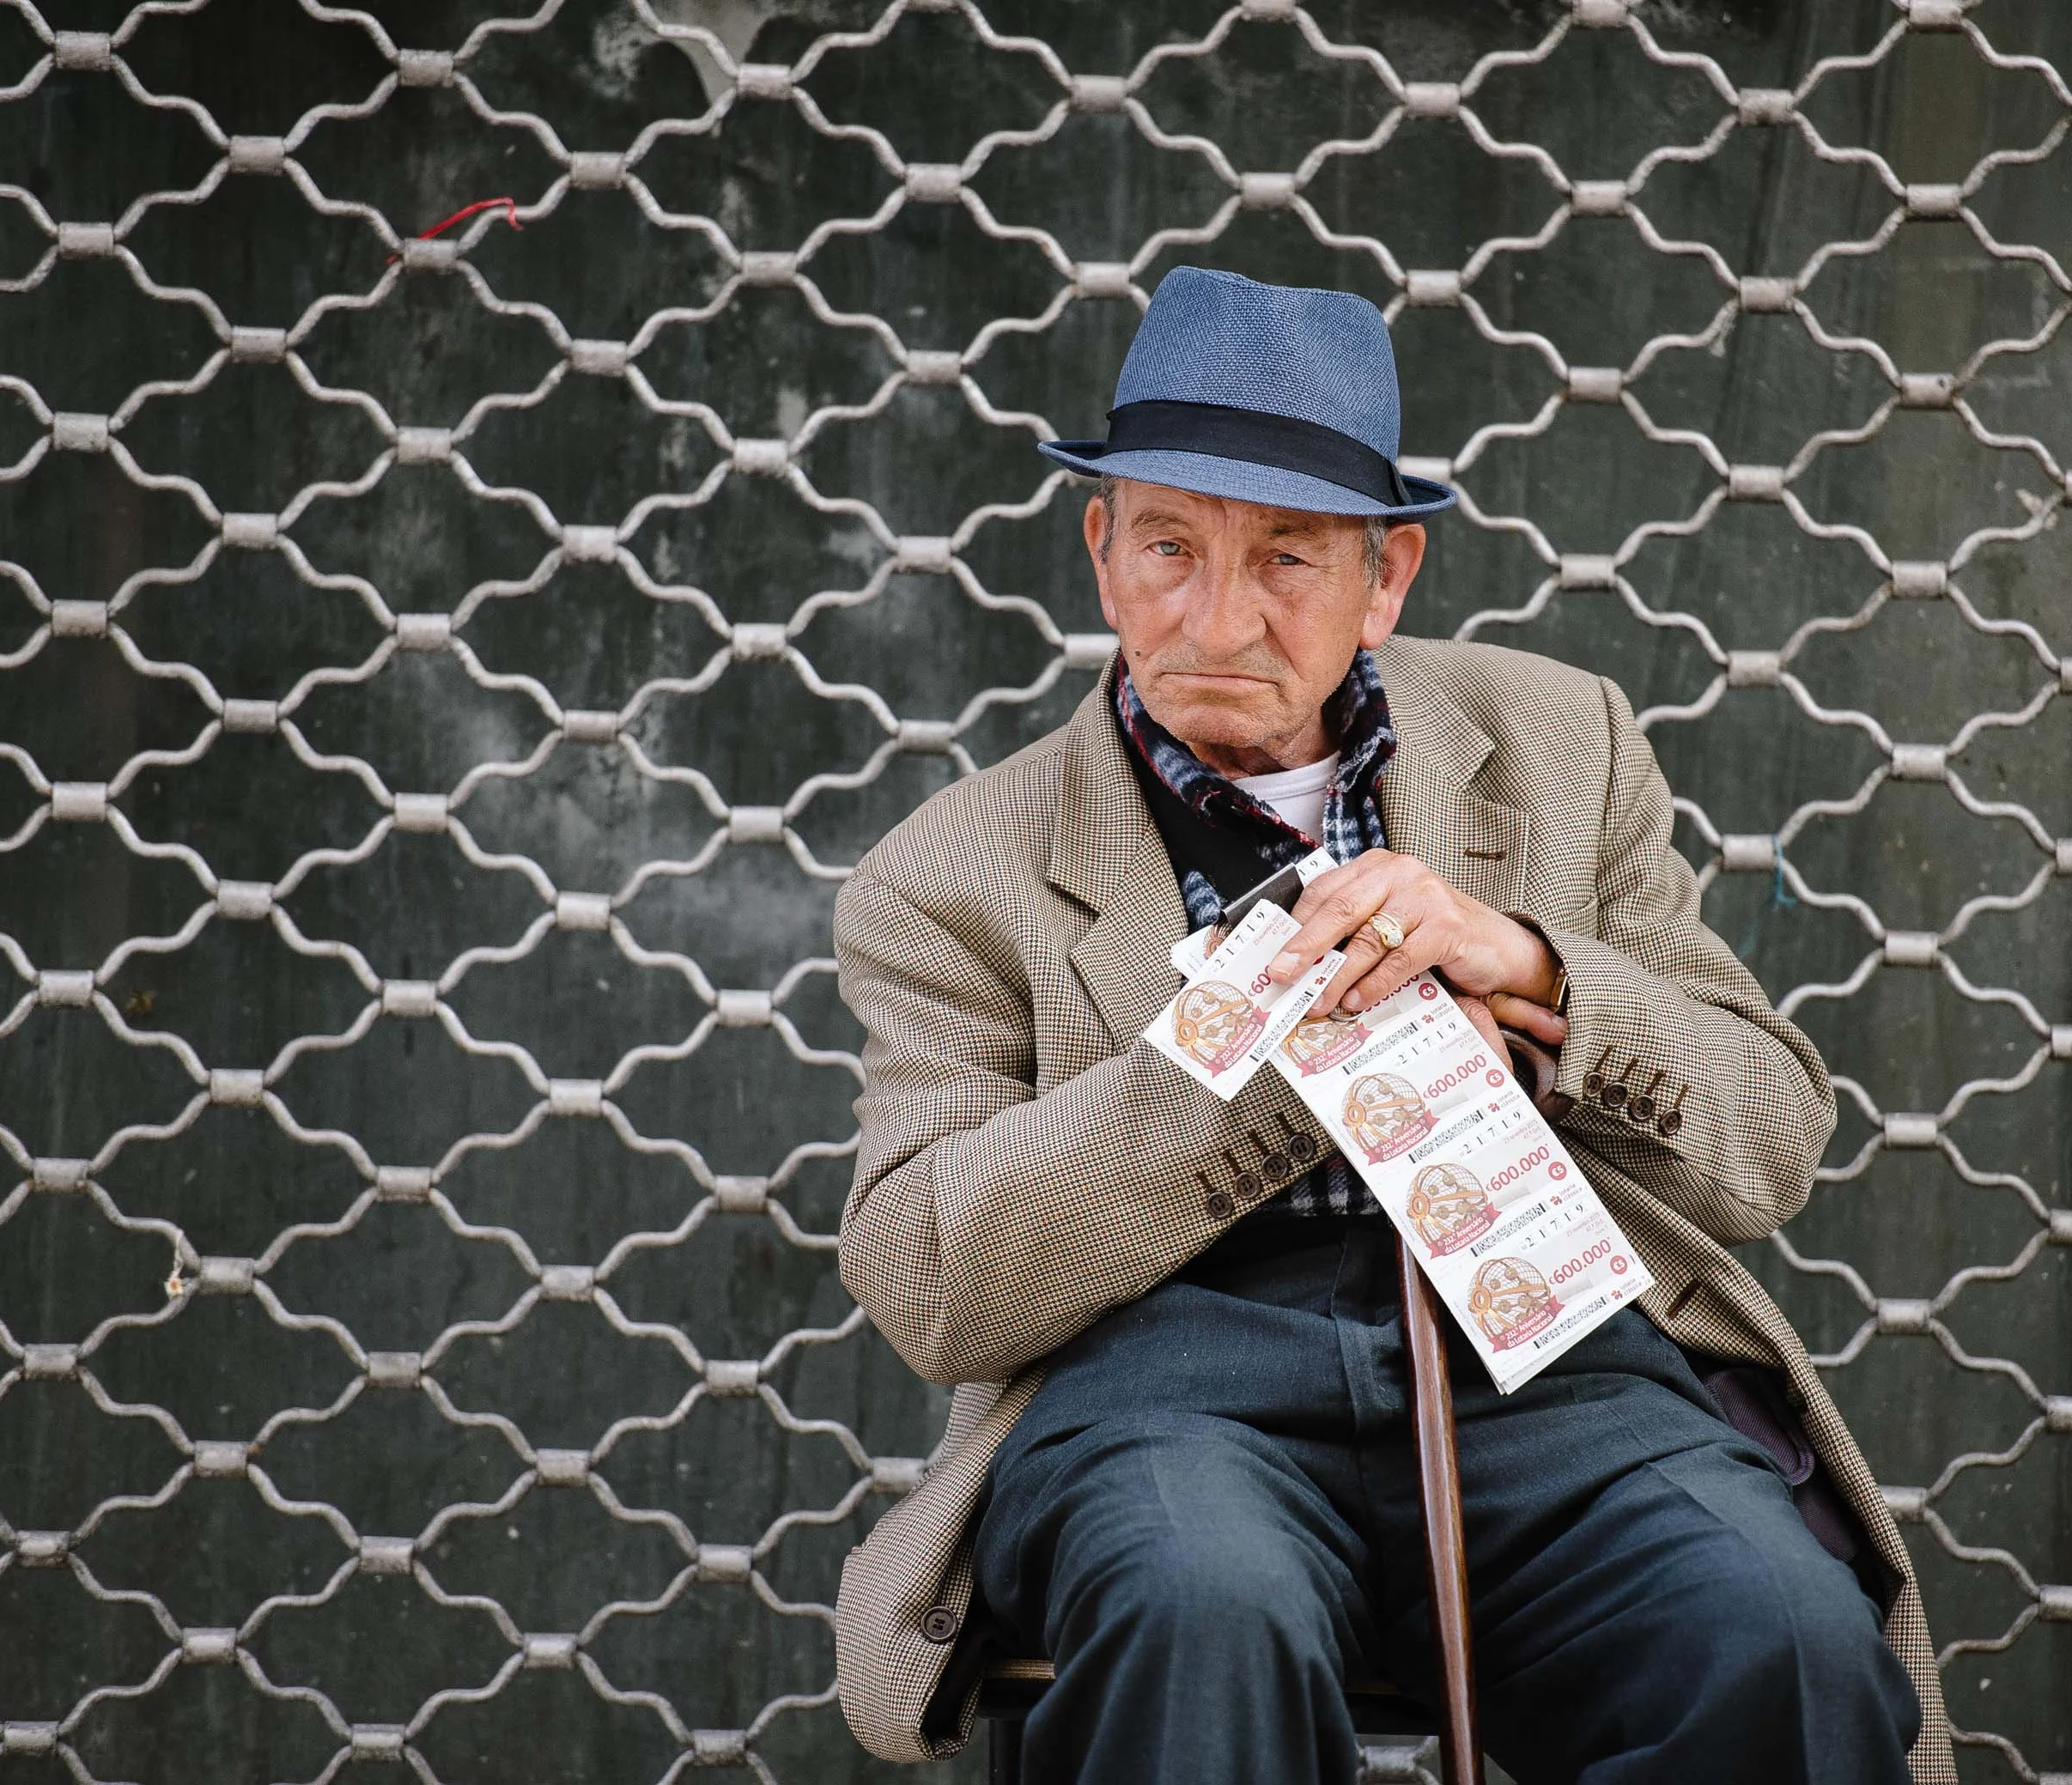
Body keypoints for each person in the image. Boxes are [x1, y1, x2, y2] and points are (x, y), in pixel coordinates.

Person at [830, 267, 1948, 1783]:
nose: (1217, 617)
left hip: (1551, 1368)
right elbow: (930, 1275)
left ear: (1389, 574)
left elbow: (1772, 1136)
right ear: (1100, 551)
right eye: (1169, 546)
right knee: (1199, 1609)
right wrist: (1267, 1054)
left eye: (1288, 559)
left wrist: (1540, 977)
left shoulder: (1563, 743)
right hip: (1169, 1397)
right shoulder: (951, 870)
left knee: (1785, 1639)